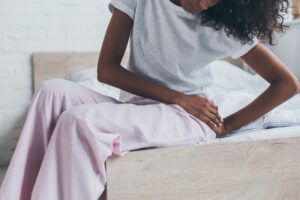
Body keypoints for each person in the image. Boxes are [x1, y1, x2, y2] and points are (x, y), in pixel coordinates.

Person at [0, 0, 299, 199]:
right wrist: (178, 98)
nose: (207, 4)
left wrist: (227, 125)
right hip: (147, 107)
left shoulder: (225, 24)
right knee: (52, 91)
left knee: (80, 122)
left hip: (188, 120)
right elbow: (107, 70)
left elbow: (286, 84)